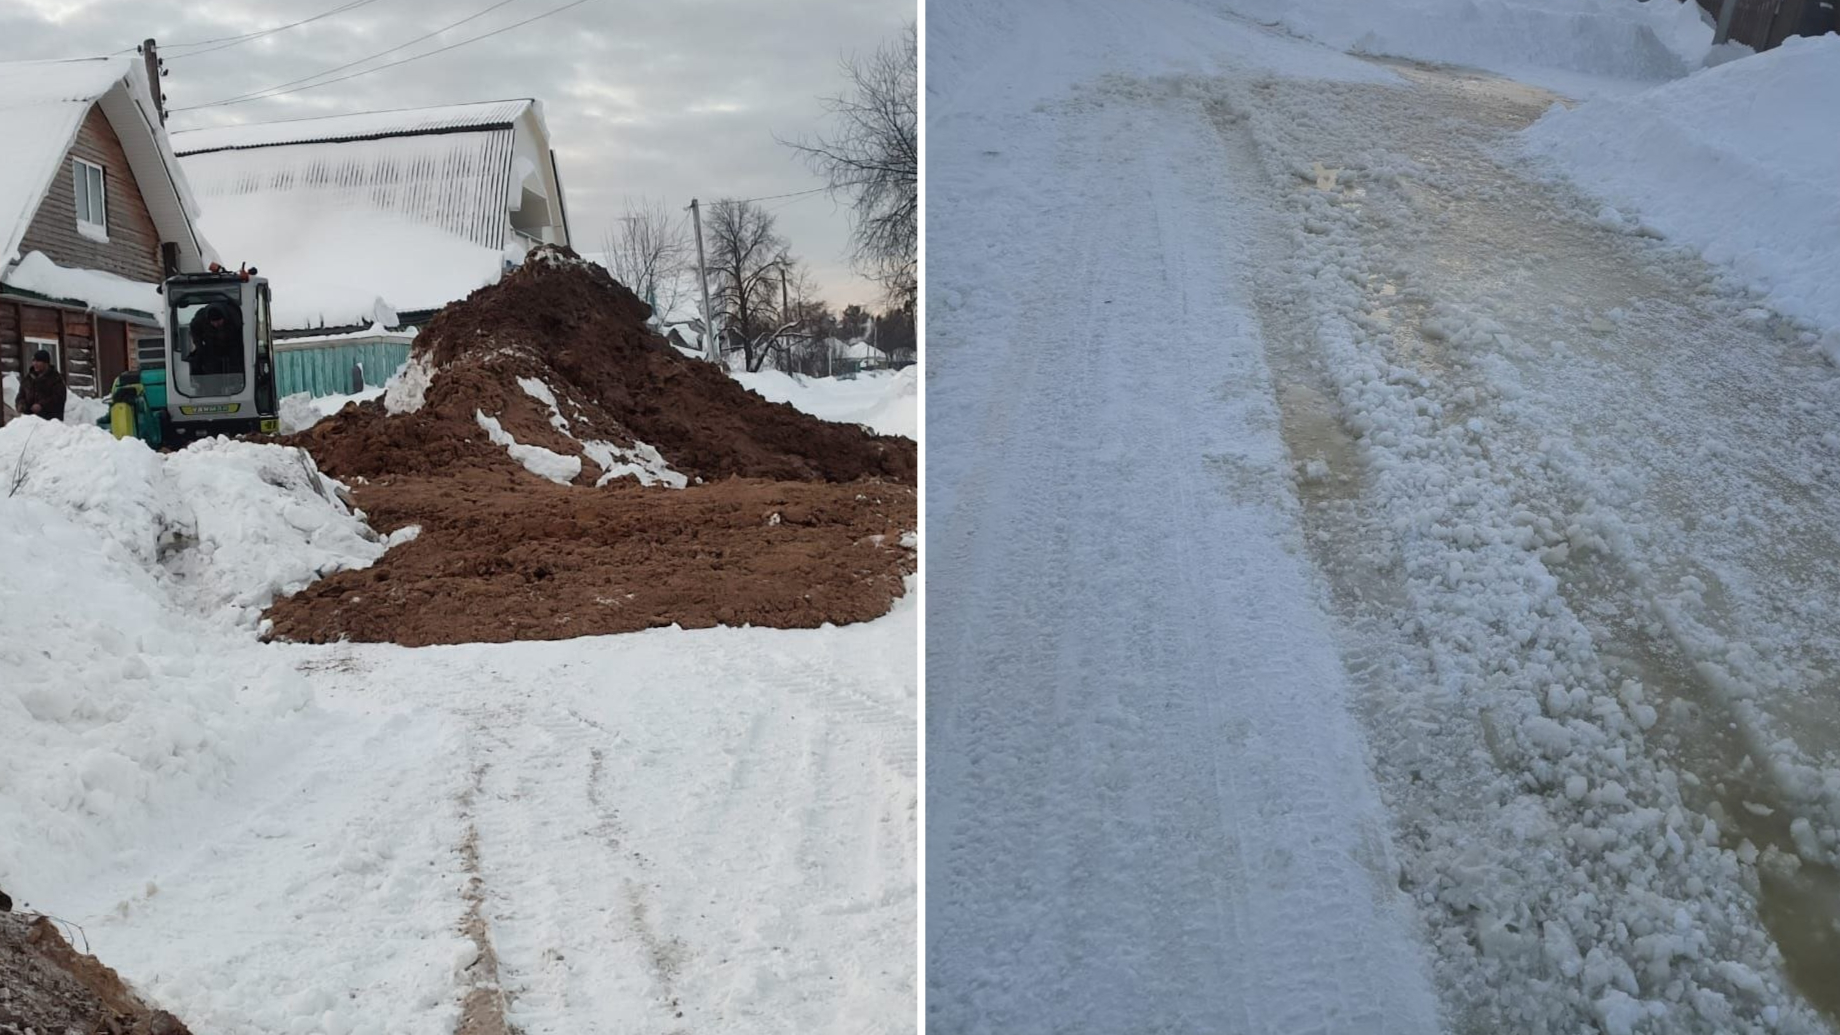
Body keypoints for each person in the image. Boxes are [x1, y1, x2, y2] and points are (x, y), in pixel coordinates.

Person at [186, 303, 242, 376]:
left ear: (224, 318)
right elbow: (194, 331)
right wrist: (199, 346)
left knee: (236, 361)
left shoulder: (234, 317)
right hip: (210, 343)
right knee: (202, 361)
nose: (216, 325)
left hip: (232, 342)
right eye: (214, 322)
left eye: (219, 322)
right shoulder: (200, 318)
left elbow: (241, 334)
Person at [15, 349, 66, 421]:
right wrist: (20, 404)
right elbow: (21, 395)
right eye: (34, 361)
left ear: (46, 363)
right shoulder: (28, 379)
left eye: (38, 361)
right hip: (30, 421)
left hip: (50, 421)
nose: (35, 363)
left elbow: (59, 398)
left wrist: (42, 405)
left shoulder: (55, 378)